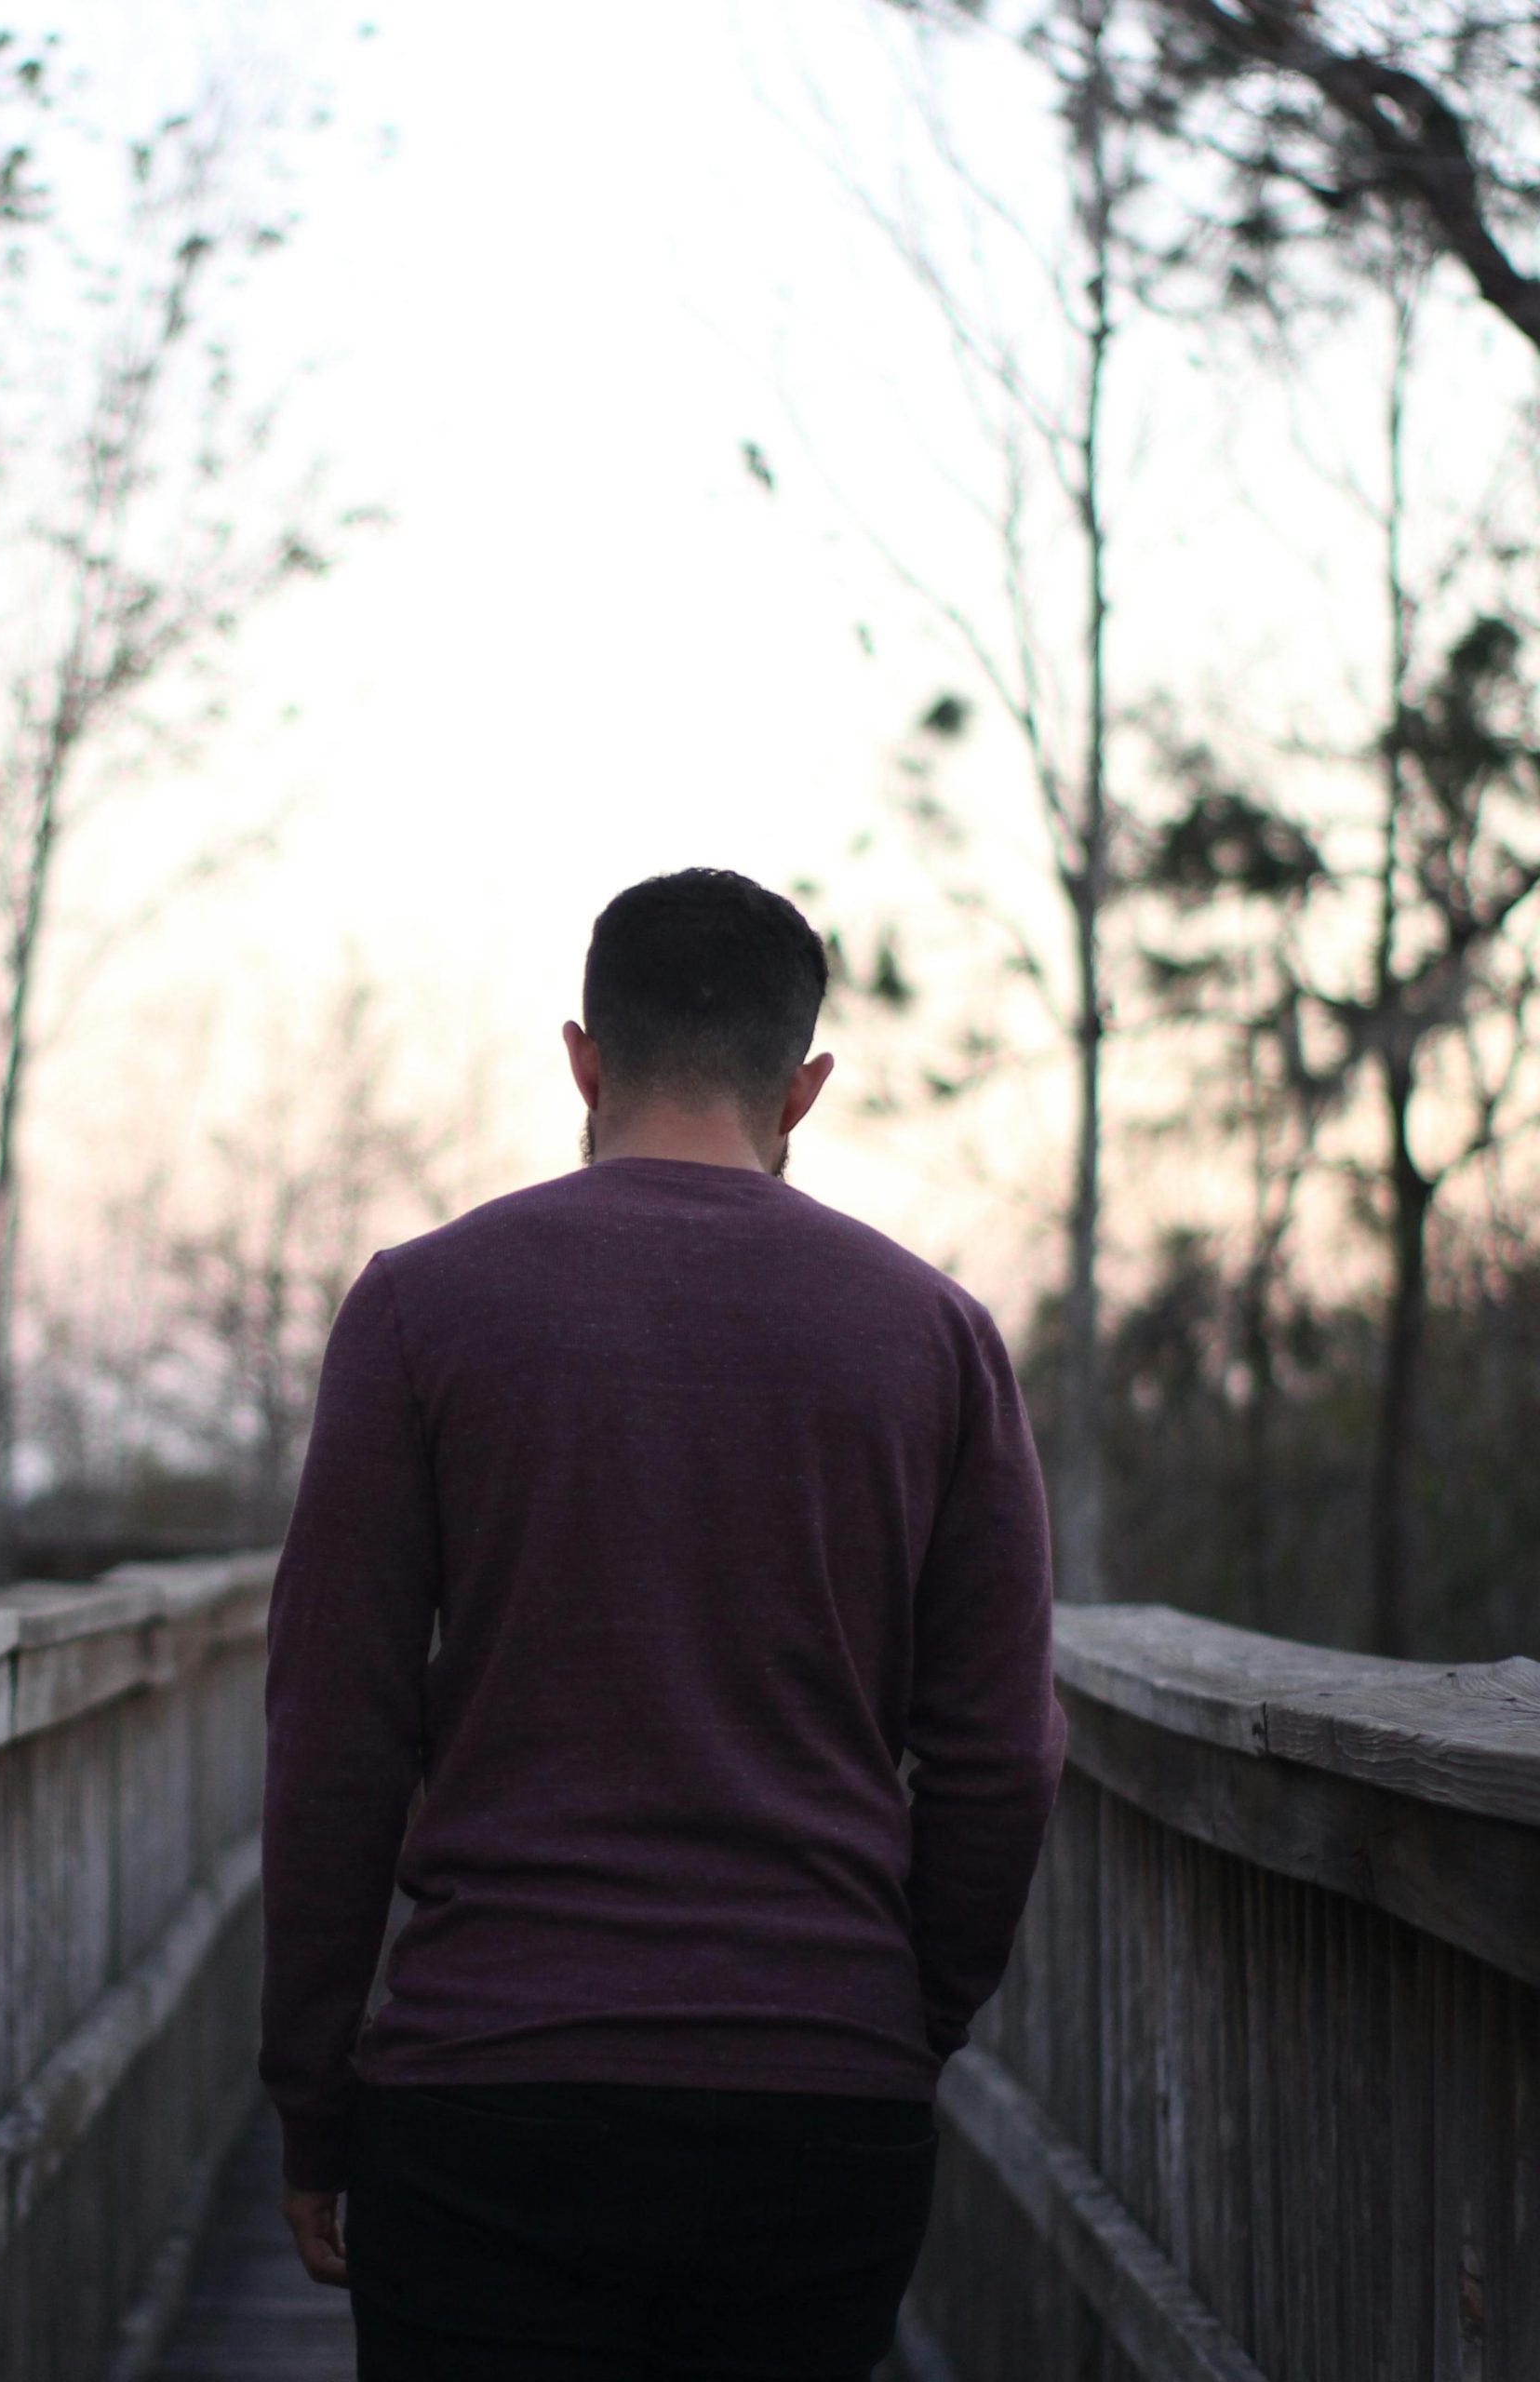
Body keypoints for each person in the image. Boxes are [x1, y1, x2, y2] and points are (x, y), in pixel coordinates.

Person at [258, 867, 1065, 2381]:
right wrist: (907, 2018)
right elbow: (1003, 1755)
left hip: (487, 2089)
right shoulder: (937, 1336)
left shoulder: (420, 1308)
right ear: (804, 1086)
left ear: (583, 1060)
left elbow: (333, 1733)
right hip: (822, 2093)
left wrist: (313, 2096)